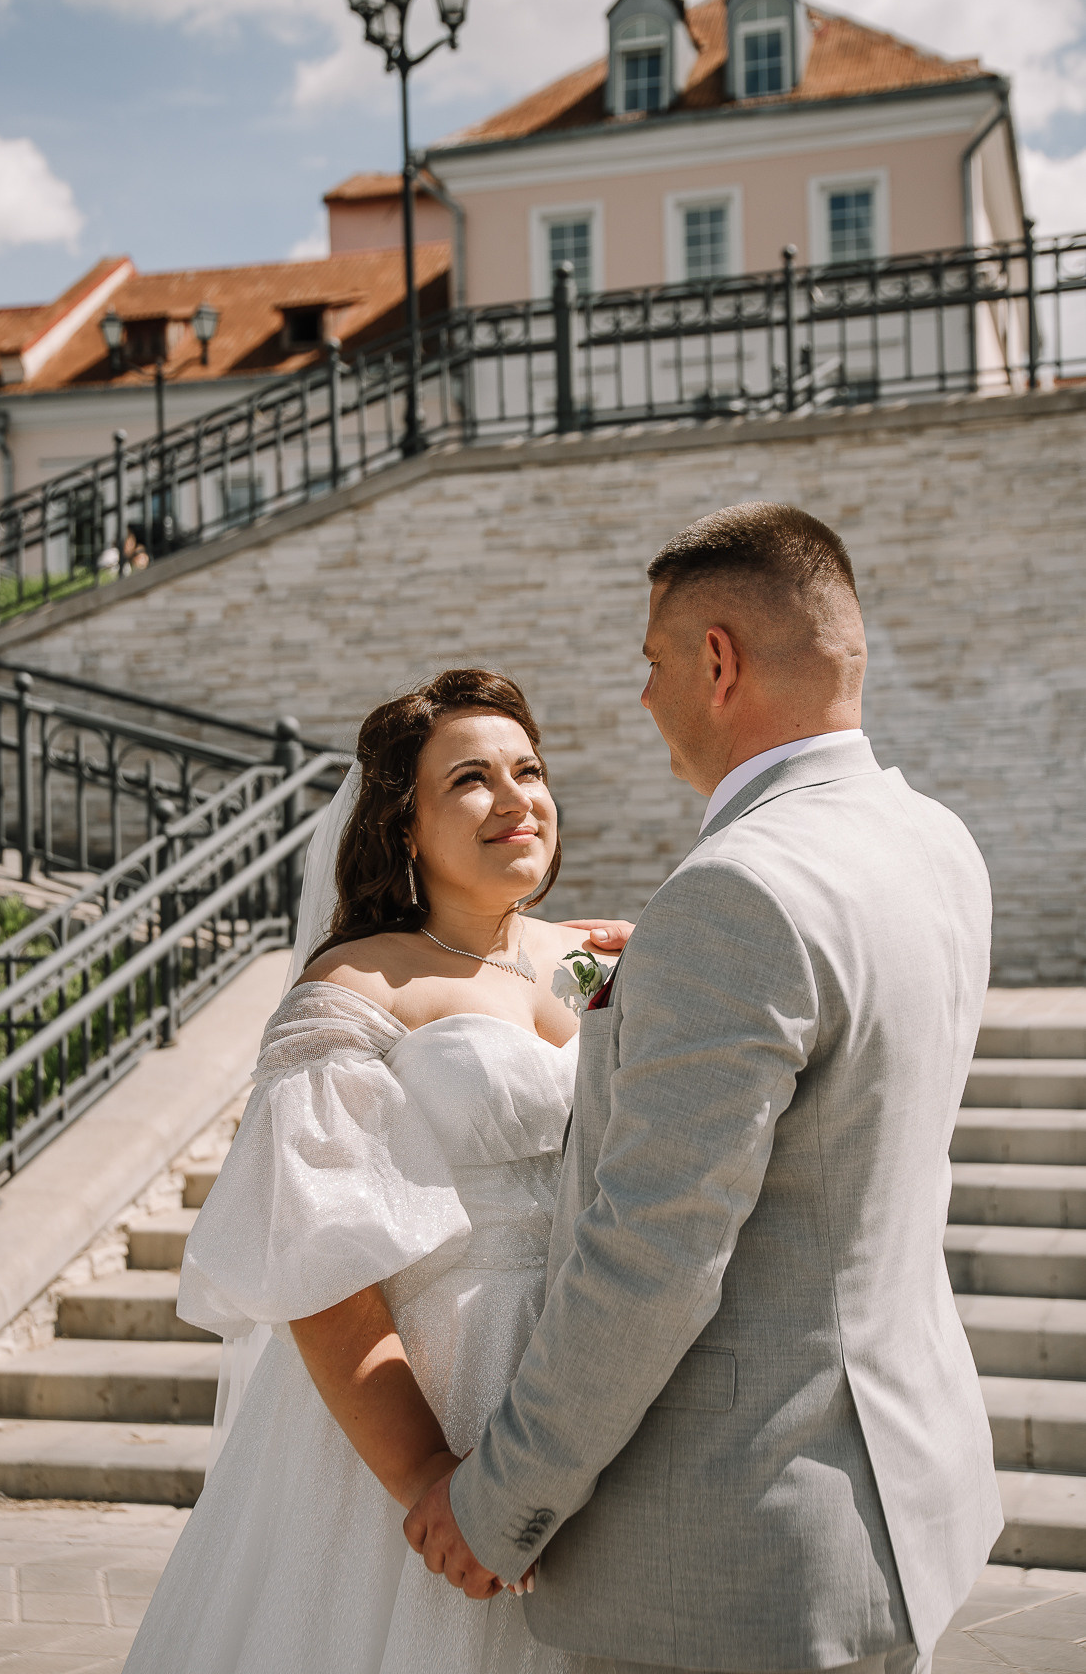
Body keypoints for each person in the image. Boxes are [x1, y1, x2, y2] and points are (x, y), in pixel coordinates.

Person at [407, 503, 1001, 1674]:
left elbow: (650, 1259)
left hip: (739, 1552)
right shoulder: (936, 841)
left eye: (651, 664)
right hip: (904, 1497)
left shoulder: (736, 892)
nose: (642, 698)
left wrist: (500, 1500)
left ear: (716, 663)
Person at [123, 667, 630, 1674]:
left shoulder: (600, 960)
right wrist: (426, 1476)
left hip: (589, 1373)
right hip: (432, 1384)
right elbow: (320, 1259)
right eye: (469, 780)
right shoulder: (356, 984)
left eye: (527, 769)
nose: (515, 797)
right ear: (403, 826)